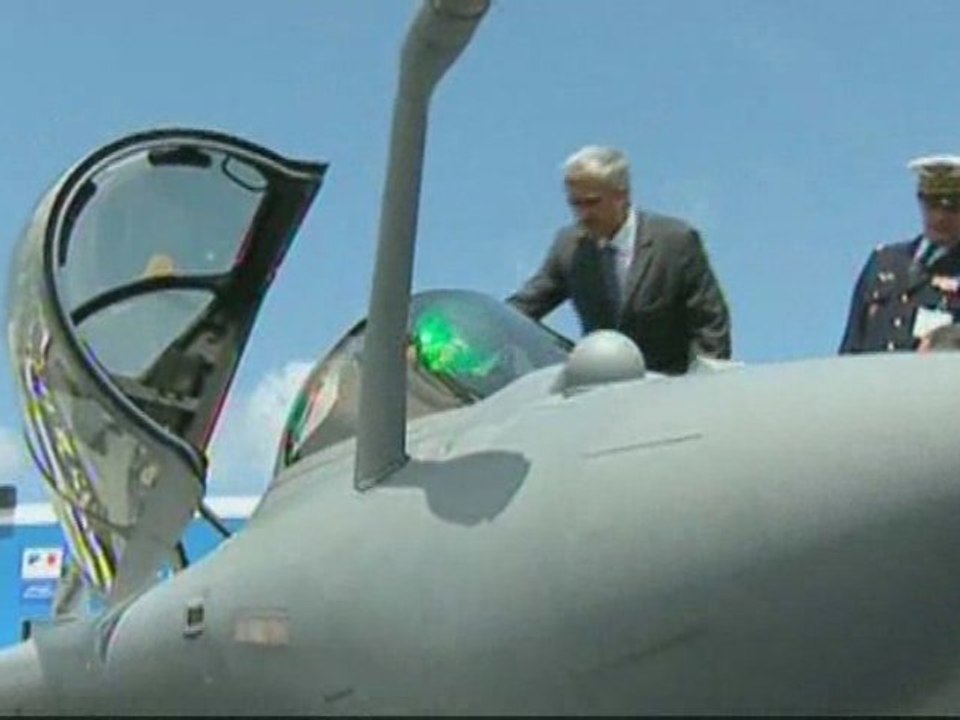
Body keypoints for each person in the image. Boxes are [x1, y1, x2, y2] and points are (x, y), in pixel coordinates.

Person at [507, 145, 731, 375]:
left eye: (592, 202)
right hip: (605, 394)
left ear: (622, 195)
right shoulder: (569, 247)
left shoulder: (675, 241)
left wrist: (701, 388)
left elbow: (710, 323)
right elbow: (526, 306)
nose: (583, 214)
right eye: (575, 204)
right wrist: (482, 328)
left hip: (670, 390)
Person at [839, 155, 960, 354]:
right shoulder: (885, 262)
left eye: (952, 207)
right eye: (932, 204)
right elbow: (852, 344)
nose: (940, 217)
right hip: (872, 382)